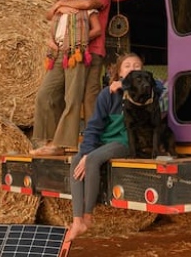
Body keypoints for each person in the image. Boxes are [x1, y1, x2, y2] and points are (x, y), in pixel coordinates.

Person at [66, 52, 159, 242]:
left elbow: (159, 87)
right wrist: (85, 152)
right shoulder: (106, 95)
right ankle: (77, 220)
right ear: (118, 72)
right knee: (77, 160)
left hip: (126, 142)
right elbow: (94, 126)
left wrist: (125, 86)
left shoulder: (145, 90)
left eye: (137, 66)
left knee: (91, 161)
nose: (133, 68)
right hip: (106, 140)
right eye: (127, 65)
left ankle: (88, 217)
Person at [31, 0, 101, 156]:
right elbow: (48, 18)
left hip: (76, 51)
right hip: (57, 53)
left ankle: (60, 144)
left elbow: (97, 29)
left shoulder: (84, 0)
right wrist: (58, 8)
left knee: (72, 98)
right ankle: (50, 140)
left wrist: (79, 40)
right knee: (45, 94)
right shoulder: (57, 9)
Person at [48, 0, 111, 127]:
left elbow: (88, 4)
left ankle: (93, 137)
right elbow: (49, 15)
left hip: (93, 51)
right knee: (68, 95)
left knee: (89, 95)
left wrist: (61, 3)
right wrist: (58, 8)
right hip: (73, 52)